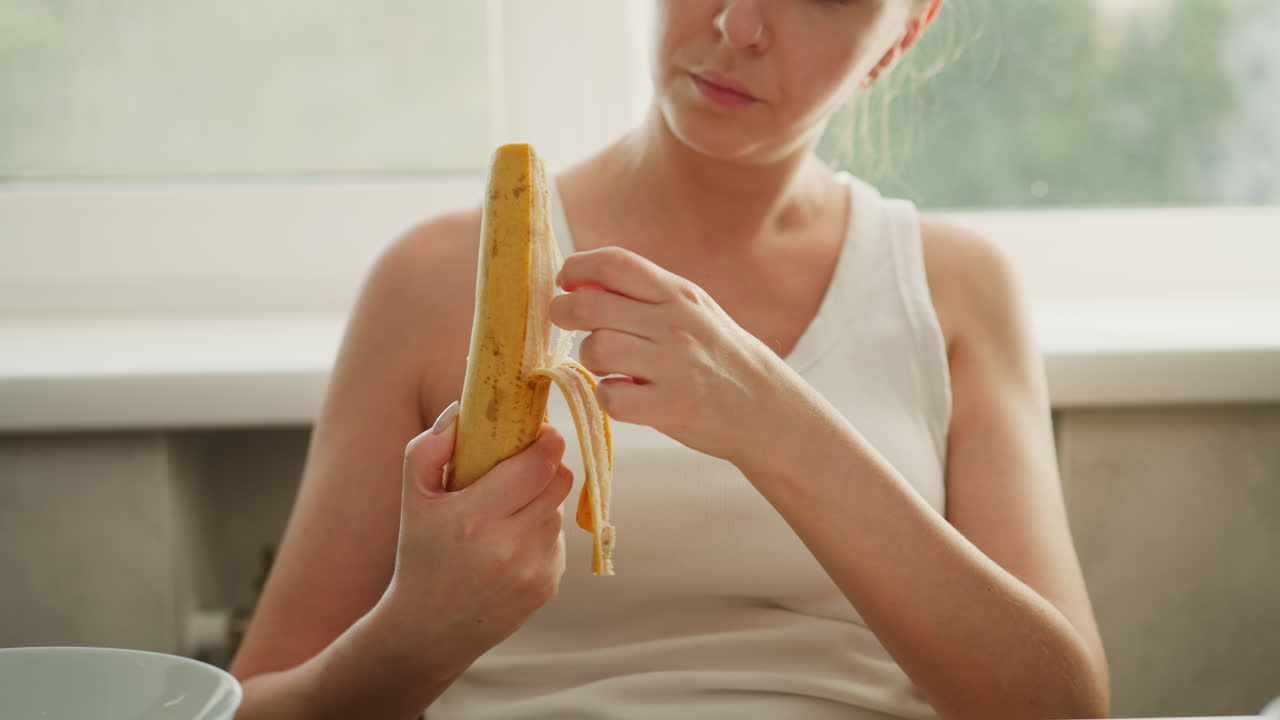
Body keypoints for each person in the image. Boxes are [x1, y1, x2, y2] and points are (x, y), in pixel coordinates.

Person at [228, 1, 1110, 718]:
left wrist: (776, 423)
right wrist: (416, 629)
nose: (739, 25)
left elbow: (1059, 707)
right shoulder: (434, 280)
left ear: (905, 31)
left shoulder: (956, 290)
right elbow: (254, 706)